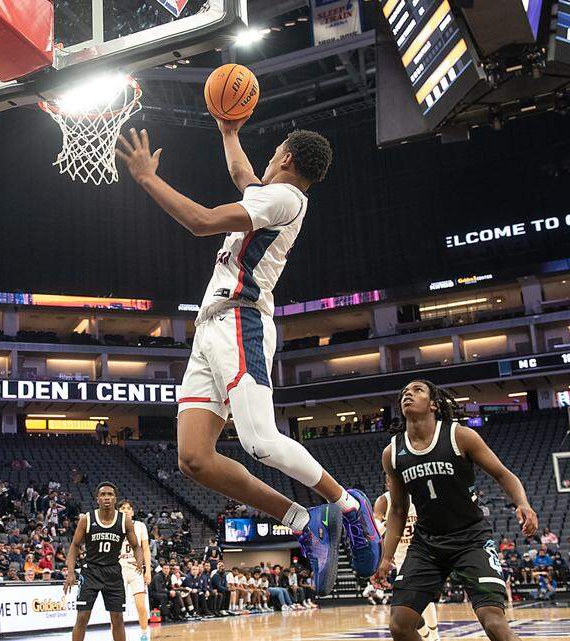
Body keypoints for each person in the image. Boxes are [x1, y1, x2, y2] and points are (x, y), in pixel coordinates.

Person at [116, 121, 379, 595]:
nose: (267, 159)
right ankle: (304, 521)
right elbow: (241, 173)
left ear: (287, 160)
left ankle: (348, 505)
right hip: (210, 327)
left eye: (275, 152)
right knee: (194, 459)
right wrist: (227, 128)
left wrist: (146, 178)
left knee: (261, 441)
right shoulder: (269, 196)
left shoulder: (284, 199)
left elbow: (200, 222)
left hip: (241, 321)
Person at [373, 380, 538, 641]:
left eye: (417, 391)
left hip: (471, 539)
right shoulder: (392, 452)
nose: (408, 394)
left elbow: (503, 475)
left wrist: (523, 503)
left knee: (493, 622)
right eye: (404, 392)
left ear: (433, 404)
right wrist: (386, 558)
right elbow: (398, 510)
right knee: (400, 625)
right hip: (427, 543)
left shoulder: (459, 435)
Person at [63, 483, 141, 641]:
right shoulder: (87, 519)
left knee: (117, 619)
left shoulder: (124, 520)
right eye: (103, 494)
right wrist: (71, 572)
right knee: (83, 616)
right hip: (90, 571)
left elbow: (135, 546)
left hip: (113, 572)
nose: (106, 498)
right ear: (97, 498)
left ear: (115, 498)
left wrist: (139, 560)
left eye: (110, 494)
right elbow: (74, 546)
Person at [374, 479, 438, 641]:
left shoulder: (418, 496)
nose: (392, 481)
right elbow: (375, 530)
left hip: (422, 554)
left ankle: (433, 635)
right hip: (400, 559)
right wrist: (391, 522)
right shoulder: (383, 501)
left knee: (422, 601)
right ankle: (430, 636)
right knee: (407, 607)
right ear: (386, 483)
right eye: (388, 479)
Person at [116, 500, 152, 641]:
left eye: (128, 508)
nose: (126, 510)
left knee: (141, 606)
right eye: (123, 508)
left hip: (136, 570)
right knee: (116, 609)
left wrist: (147, 570)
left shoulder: (140, 526)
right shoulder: (114, 526)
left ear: (132, 511)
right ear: (119, 511)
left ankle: (144, 634)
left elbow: (146, 549)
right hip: (119, 570)